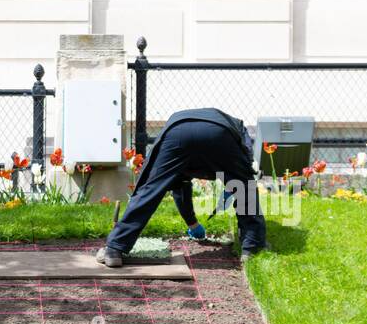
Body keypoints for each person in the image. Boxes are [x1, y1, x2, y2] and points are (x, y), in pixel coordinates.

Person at [97, 107, 267, 268]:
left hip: (178, 133)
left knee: (149, 190)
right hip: (220, 134)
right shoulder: (240, 128)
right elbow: (246, 167)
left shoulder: (185, 152)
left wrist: (193, 225)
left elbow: (179, 188)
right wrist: (238, 179)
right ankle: (252, 247)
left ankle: (114, 249)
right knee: (245, 188)